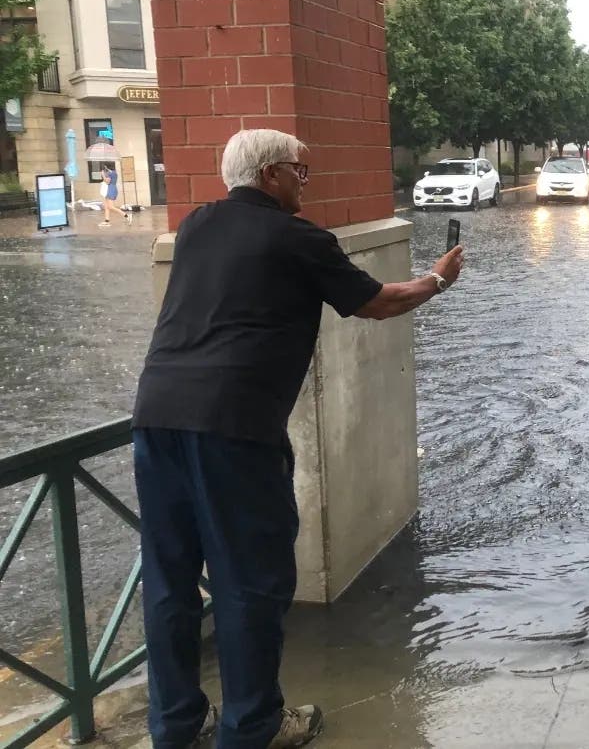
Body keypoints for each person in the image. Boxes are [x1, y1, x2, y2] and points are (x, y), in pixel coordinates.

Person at [131, 129, 464, 749]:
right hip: (234, 430)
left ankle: (174, 727)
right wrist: (438, 279)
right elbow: (379, 303)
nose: (305, 185)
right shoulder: (298, 238)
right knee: (249, 584)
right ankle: (251, 728)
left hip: (156, 417)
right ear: (271, 175)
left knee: (170, 580)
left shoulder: (199, 224)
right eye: (301, 173)